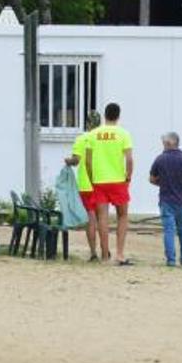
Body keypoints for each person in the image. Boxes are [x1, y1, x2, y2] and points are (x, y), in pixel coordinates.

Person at [84, 103, 134, 266]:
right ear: (118, 116)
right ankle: (119, 253)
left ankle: (104, 254)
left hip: (99, 180)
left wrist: (92, 178)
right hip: (118, 179)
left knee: (102, 217)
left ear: (105, 116)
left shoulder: (93, 134)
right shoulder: (123, 134)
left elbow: (88, 161)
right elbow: (129, 158)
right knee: (122, 215)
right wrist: (128, 176)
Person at [149, 132, 182, 267]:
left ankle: (171, 260)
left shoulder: (160, 159)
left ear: (168, 143)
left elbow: (152, 179)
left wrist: (163, 183)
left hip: (166, 200)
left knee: (169, 231)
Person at [64, 111, 103, 261]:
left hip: (86, 185)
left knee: (91, 219)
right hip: (102, 182)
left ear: (87, 123)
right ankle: (105, 250)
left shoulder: (82, 139)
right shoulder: (102, 138)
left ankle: (93, 253)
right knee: (102, 218)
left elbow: (76, 161)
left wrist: (68, 161)